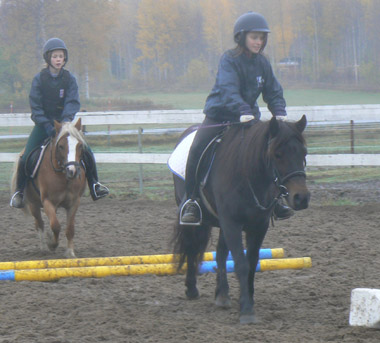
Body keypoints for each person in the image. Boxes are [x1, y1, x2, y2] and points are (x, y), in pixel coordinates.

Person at [180, 11, 293, 224]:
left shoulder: (263, 63)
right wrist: (242, 109)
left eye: (261, 38)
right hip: (220, 116)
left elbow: (273, 90)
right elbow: (228, 89)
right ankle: (192, 201)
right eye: (254, 37)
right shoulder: (228, 60)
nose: (259, 42)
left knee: (268, 151)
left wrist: (279, 111)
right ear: (241, 37)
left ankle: (274, 200)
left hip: (248, 119)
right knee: (196, 149)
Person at [10, 37, 109, 208]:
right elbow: (36, 106)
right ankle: (19, 193)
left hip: (65, 125)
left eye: (61, 56)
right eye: (55, 56)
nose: (58, 59)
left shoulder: (69, 79)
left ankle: (95, 185)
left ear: (65, 59)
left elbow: (72, 102)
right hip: (44, 125)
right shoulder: (39, 80)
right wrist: (47, 126)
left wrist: (64, 122)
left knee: (86, 151)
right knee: (25, 157)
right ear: (48, 58)